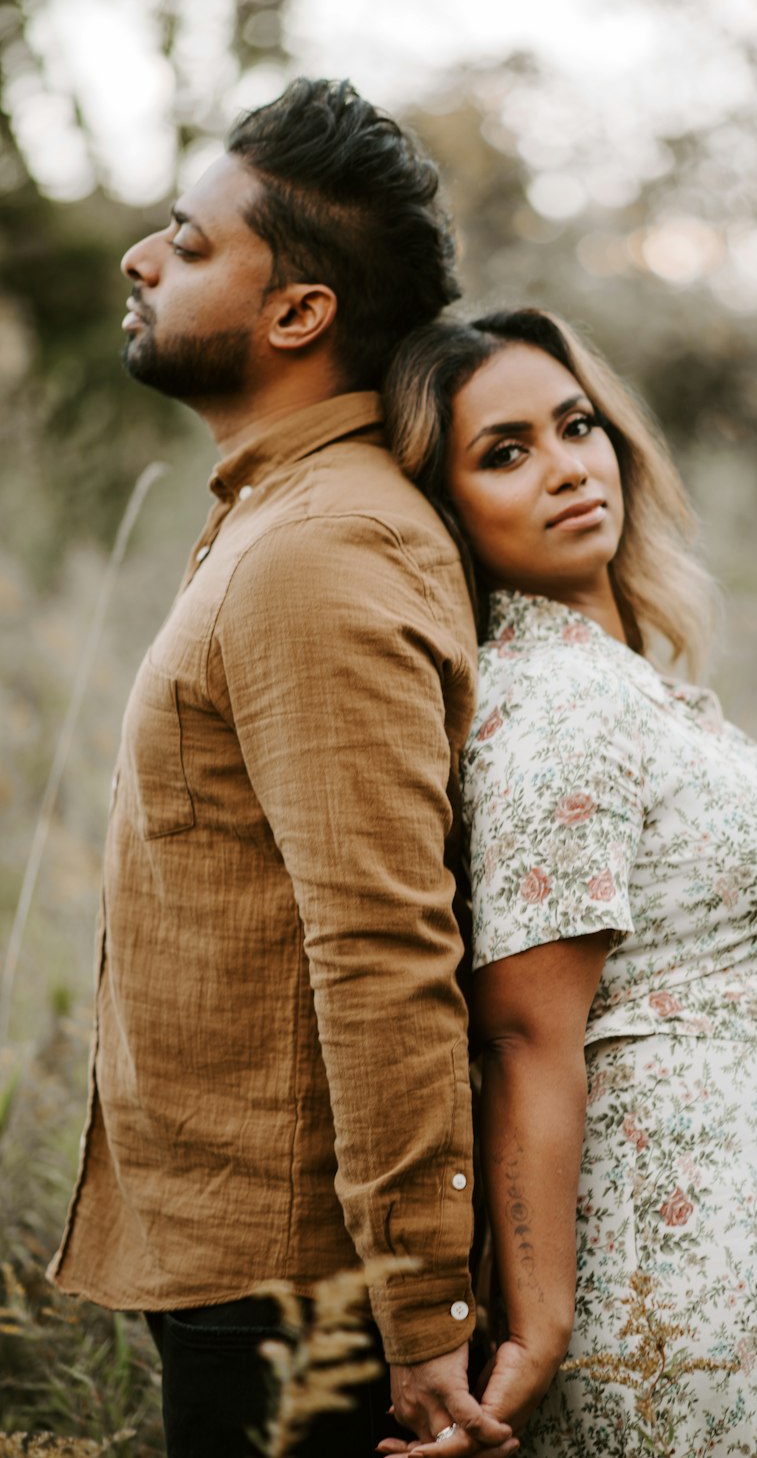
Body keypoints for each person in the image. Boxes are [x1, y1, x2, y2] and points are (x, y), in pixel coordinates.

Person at [47, 78, 517, 1458]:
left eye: (188, 244)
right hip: (237, 1248)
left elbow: (383, 939)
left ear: (298, 313)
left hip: (296, 1279)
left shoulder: (318, 550)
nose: (142, 258)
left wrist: (420, 1314)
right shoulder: (282, 516)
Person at [378, 308, 757, 1458]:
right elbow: (522, 1033)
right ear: (447, 508)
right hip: (671, 1281)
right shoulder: (553, 706)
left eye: (574, 425)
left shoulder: (617, 680)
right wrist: (545, 1323)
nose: (565, 465)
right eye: (504, 453)